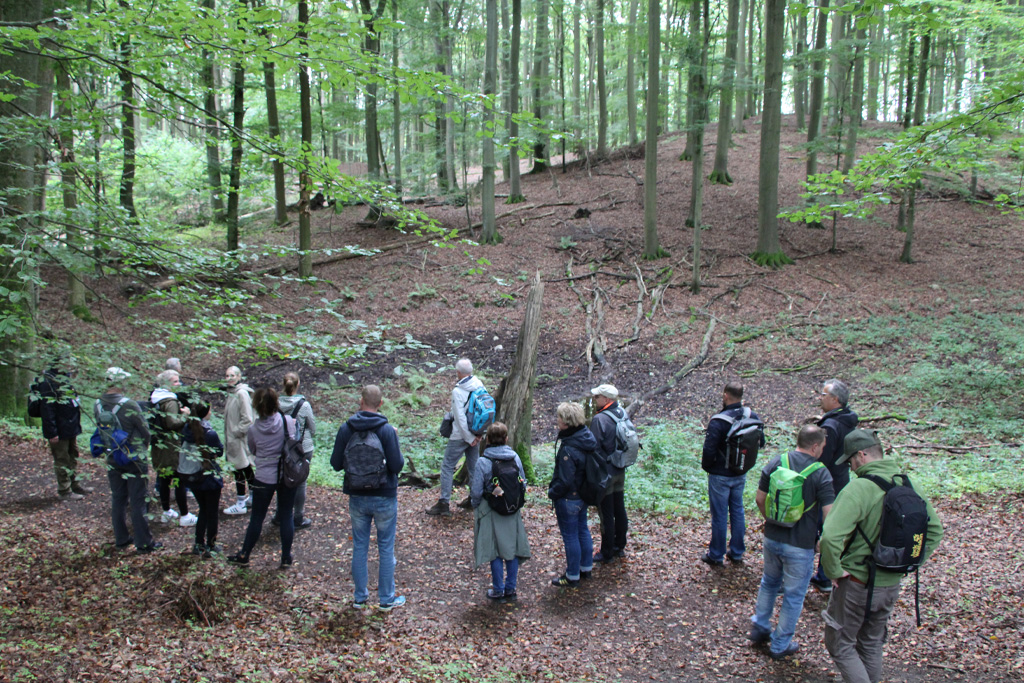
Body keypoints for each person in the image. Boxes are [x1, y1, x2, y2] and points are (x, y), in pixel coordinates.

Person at [821, 429, 944, 683]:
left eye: (851, 461)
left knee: (840, 644)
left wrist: (834, 571)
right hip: (890, 585)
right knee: (871, 642)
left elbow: (830, 537)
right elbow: (934, 530)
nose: (851, 468)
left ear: (862, 455)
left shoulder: (860, 489)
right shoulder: (909, 484)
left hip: (856, 583)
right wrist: (909, 562)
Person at [749, 425, 835, 660]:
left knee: (768, 582)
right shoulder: (821, 473)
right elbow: (830, 514)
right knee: (794, 595)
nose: (823, 451)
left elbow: (759, 498)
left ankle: (759, 626)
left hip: (772, 538)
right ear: (815, 446)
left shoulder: (777, 461)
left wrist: (770, 520)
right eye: (823, 447)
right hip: (801, 544)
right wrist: (824, 541)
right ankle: (780, 644)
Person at [331, 385, 406, 610]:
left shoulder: (347, 428)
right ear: (380, 404)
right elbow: (397, 465)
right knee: (385, 548)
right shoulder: (386, 431)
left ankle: (360, 598)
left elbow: (335, 464)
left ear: (360, 401)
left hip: (357, 496)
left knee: (360, 546)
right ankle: (386, 599)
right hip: (384, 495)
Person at [227, 387, 298, 568]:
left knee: (257, 517)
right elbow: (293, 441)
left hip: (263, 477)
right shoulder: (287, 421)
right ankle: (286, 557)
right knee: (286, 515)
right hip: (286, 476)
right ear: (276, 403)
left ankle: (245, 554)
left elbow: (253, 450)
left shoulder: (253, 429)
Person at [97, 367, 161, 554]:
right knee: (138, 500)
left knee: (118, 498)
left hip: (111, 456)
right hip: (134, 457)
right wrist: (143, 448)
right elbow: (145, 431)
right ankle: (143, 542)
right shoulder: (129, 404)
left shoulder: (97, 404)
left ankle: (121, 538)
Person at [700, 381, 763, 566]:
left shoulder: (719, 420)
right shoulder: (751, 415)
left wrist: (708, 468)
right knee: (737, 510)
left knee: (719, 515)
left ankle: (716, 554)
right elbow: (761, 441)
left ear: (726, 395)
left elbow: (709, 450)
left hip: (720, 475)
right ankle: (736, 552)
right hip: (740, 472)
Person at [470, 422, 531, 602]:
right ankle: (510, 589)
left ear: (487, 439)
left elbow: (476, 491)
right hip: (511, 510)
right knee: (511, 548)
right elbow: (523, 483)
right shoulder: (515, 458)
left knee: (495, 551)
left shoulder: (483, 461)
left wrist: (476, 505)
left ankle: (498, 589)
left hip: (491, 510)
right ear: (506, 438)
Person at [810, 378, 859, 592]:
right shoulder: (848, 421)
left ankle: (819, 575)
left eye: (823, 394)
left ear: (835, 399)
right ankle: (824, 575)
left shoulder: (831, 426)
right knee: (831, 528)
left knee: (818, 527)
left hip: (826, 485)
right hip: (840, 480)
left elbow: (821, 458)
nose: (820, 398)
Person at [426, 358, 485, 516]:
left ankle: (444, 503)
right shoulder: (479, 385)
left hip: (461, 436)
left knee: (447, 466)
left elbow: (459, 418)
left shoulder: (458, 391)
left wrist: (468, 437)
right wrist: (478, 435)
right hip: (476, 433)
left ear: (458, 372)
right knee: (474, 468)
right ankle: (474, 499)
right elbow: (484, 410)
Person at [548, 401, 597, 588]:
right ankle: (586, 567)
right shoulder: (585, 437)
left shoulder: (569, 446)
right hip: (582, 494)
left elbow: (565, 479)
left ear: (566, 421)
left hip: (569, 497)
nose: (557, 420)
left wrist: (553, 492)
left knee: (571, 536)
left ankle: (572, 575)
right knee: (582, 530)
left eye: (559, 417)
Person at [34, 363, 91, 500]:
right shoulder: (48, 382)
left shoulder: (64, 379)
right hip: (59, 429)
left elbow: (73, 401)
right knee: (62, 459)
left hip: (70, 426)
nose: (69, 364)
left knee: (73, 455)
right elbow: (47, 410)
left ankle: (74, 484)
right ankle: (64, 490)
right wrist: (52, 432)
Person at [179, 402, 225, 557]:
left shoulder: (186, 429)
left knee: (203, 510)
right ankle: (211, 546)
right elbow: (219, 452)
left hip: (192, 477)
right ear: (206, 413)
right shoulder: (209, 433)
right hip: (208, 476)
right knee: (211, 512)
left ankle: (199, 544)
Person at [589, 383, 629, 563]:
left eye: (597, 397)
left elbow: (593, 447)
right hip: (620, 468)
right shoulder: (621, 412)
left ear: (606, 399)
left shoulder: (600, 419)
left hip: (605, 472)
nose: (595, 399)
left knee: (606, 512)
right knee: (619, 508)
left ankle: (606, 551)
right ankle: (619, 546)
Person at [149, 370, 194, 526]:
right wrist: (186, 414)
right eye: (175, 381)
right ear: (166, 383)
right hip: (171, 446)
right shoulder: (170, 401)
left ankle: (166, 511)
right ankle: (184, 515)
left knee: (163, 479)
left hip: (159, 445)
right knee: (179, 480)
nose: (179, 384)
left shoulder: (155, 398)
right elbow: (173, 423)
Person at [274, 372, 315, 530]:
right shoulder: (304, 405)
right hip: (302, 448)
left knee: (281, 481)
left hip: (281, 447)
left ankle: (280, 514)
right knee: (300, 483)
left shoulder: (276, 404)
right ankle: (298, 517)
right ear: (298, 384)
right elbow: (313, 428)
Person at [223, 365, 255, 515]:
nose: (229, 378)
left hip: (238, 439)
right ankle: (253, 497)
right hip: (233, 439)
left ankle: (241, 503)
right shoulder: (231, 393)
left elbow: (248, 419)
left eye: (232, 376)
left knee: (241, 469)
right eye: (227, 376)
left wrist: (236, 432)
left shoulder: (241, 393)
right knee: (244, 469)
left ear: (239, 376)